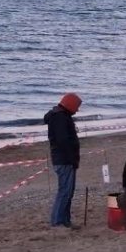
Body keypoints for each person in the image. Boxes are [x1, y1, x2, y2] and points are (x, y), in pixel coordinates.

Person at [44, 93, 81, 229]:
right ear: (69, 104)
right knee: (65, 191)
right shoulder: (59, 117)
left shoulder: (61, 116)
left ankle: (65, 220)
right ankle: (58, 221)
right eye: (76, 107)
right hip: (64, 160)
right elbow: (63, 141)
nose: (77, 110)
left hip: (65, 159)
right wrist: (72, 157)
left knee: (68, 191)